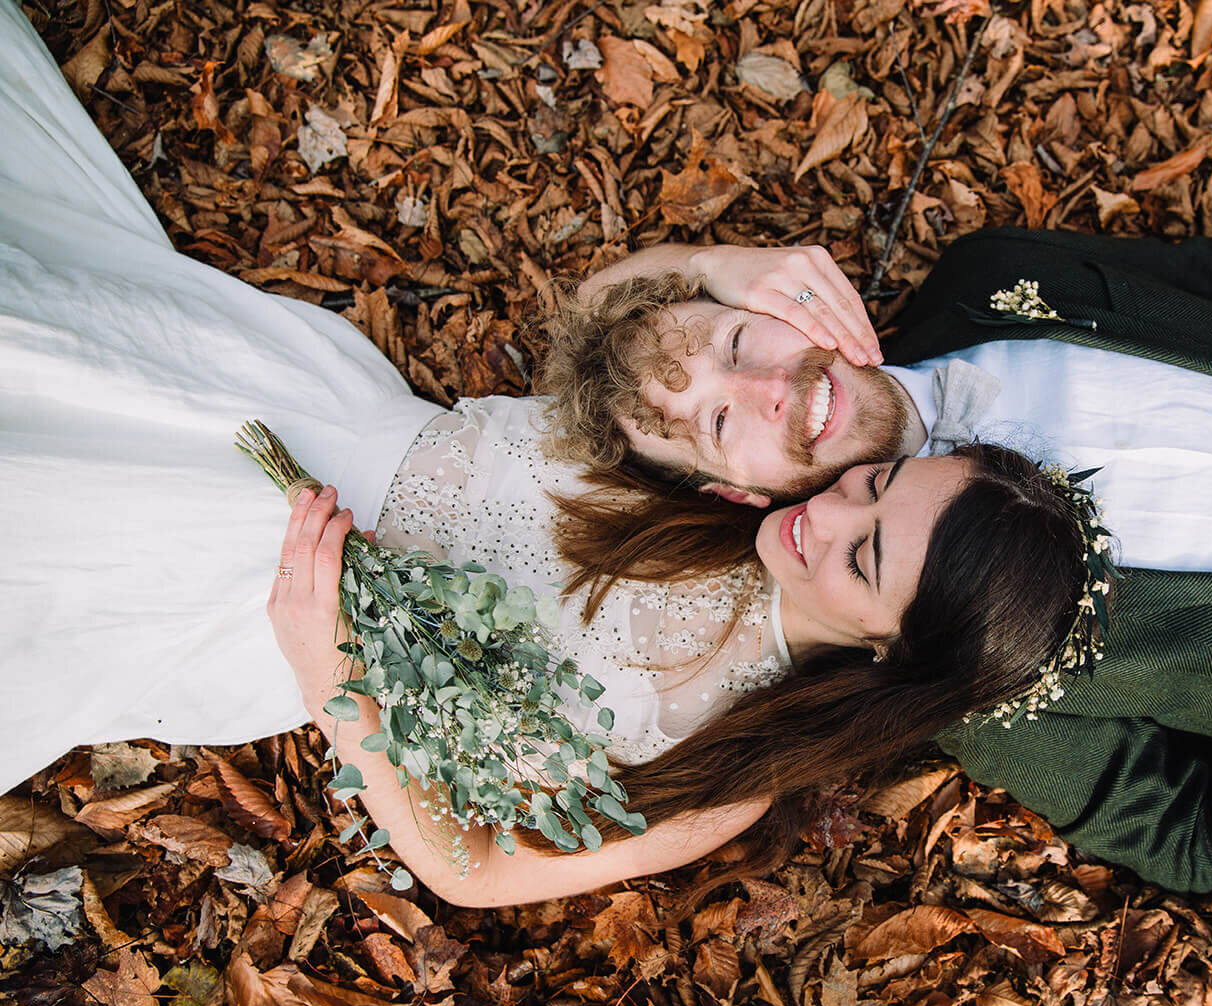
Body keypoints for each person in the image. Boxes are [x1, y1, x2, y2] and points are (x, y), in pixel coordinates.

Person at [0, 5, 1101, 906]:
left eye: (864, 559)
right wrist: (720, 264)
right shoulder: (737, 475)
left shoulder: (728, 774)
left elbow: (470, 869)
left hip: (258, 612)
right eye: (875, 484)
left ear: (883, 652)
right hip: (302, 408)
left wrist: (330, 671)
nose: (831, 512)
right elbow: (595, 329)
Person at [538, 232, 1212, 892]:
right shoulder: (970, 663)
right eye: (724, 423)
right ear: (739, 495)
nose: (771, 391)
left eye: (737, 345)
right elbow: (1191, 838)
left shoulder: (986, 278)